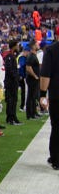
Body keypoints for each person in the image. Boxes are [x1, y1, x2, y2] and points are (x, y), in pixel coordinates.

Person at [40, 41, 59, 170]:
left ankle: (56, 159)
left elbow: (46, 74)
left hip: (56, 94)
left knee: (57, 127)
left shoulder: (51, 50)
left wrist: (42, 94)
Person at [4, 40, 23, 125]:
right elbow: (9, 70)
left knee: (13, 100)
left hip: (12, 82)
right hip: (10, 82)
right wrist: (16, 77)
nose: (18, 47)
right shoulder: (9, 57)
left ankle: (12, 117)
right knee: (11, 100)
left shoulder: (12, 56)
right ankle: (11, 118)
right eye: (17, 45)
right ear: (14, 46)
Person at [26, 40, 41, 120]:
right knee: (31, 96)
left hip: (34, 79)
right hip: (32, 79)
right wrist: (34, 75)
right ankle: (30, 114)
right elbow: (28, 67)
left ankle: (34, 112)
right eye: (37, 44)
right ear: (33, 46)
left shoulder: (34, 55)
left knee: (34, 96)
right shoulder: (31, 56)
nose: (38, 45)